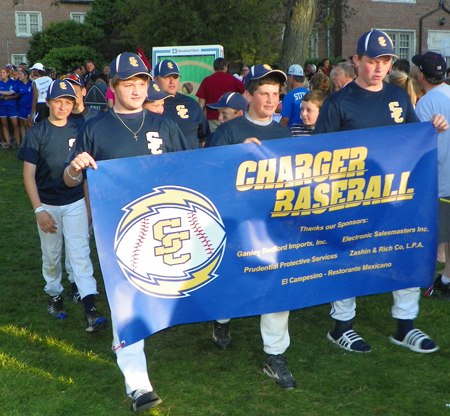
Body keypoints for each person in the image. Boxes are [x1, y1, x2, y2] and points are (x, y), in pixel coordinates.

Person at [64, 53, 190, 412]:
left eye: (141, 83)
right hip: (118, 230)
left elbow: (193, 166)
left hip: (166, 226)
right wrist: (75, 168)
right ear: (113, 87)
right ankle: (137, 384)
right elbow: (69, 178)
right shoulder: (94, 127)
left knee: (170, 291)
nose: (136, 90)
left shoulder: (164, 125)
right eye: (128, 83)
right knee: (125, 303)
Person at [314, 29, 446, 354]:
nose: (378, 68)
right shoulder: (338, 103)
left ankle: (405, 326)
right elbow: (318, 155)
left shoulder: (399, 97)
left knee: (405, 252)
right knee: (347, 257)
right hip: (351, 200)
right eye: (372, 60)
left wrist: (433, 128)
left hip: (395, 198)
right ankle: (342, 326)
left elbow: (413, 139)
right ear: (356, 60)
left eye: (385, 61)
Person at [210, 64, 296, 390]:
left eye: (275, 94)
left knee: (276, 284)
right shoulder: (228, 131)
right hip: (235, 222)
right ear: (248, 94)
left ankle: (275, 356)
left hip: (274, 224)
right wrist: (238, 156)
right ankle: (221, 320)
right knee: (233, 279)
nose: (271, 100)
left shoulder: (285, 134)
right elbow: (208, 174)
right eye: (264, 93)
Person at [17, 79, 107, 332]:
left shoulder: (81, 128)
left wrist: (88, 207)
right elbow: (28, 175)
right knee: (52, 255)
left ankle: (89, 307)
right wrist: (39, 210)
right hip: (47, 203)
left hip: (75, 201)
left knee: (80, 252)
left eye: (69, 102)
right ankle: (55, 294)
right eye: (59, 101)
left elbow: (88, 173)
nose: (64, 106)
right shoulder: (37, 132)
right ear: (49, 102)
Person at [412, 52, 450, 300]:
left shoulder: (427, 102)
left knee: (445, 234)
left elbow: (416, 143)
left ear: (421, 75)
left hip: (442, 175)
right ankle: (446, 276)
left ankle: (447, 280)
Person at [154, 59, 210, 149]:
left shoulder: (191, 103)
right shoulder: (148, 104)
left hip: (192, 160)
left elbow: (204, 138)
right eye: (167, 77)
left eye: (175, 77)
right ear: (155, 79)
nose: (172, 81)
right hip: (164, 160)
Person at [196, 57, 245, 132]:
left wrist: (200, 117)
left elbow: (201, 101)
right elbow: (243, 94)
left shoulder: (207, 80)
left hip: (211, 118)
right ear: (224, 66)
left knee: (214, 140)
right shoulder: (232, 79)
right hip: (229, 116)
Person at [0, 67, 20, 148]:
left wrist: (8, 97)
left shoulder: (13, 83)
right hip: (2, 105)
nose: (2, 74)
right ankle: (8, 143)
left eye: (3, 73)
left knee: (15, 124)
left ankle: (18, 143)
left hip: (12, 105)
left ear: (8, 74)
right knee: (4, 124)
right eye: (1, 73)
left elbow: (17, 95)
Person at [16, 68, 33, 139]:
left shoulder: (32, 83)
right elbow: (11, 92)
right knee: (24, 124)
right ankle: (24, 141)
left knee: (29, 124)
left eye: (20, 74)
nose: (19, 76)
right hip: (22, 107)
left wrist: (31, 78)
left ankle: (31, 140)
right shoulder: (19, 84)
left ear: (26, 76)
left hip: (30, 107)